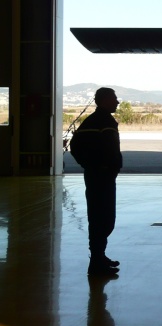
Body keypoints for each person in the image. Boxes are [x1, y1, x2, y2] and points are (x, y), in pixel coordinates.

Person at [69, 88, 123, 277]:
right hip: (101, 178)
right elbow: (75, 146)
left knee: (101, 218)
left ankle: (99, 257)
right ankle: (96, 262)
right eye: (114, 99)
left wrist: (90, 165)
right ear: (105, 100)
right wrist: (99, 166)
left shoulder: (94, 120)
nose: (117, 102)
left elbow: (74, 146)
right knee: (103, 218)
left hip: (101, 176)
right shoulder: (102, 121)